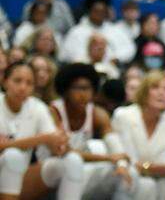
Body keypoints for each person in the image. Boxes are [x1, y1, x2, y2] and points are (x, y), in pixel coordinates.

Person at [0, 61, 81, 200]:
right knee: (13, 156)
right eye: (17, 81)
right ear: (5, 81)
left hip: (21, 178)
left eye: (29, 83)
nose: (22, 87)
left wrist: (61, 143)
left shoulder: (38, 107)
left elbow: (54, 141)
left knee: (73, 160)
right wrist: (43, 139)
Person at [48, 63, 132, 196]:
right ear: (65, 89)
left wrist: (121, 165)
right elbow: (64, 152)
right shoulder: (53, 111)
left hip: (79, 168)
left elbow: (114, 144)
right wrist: (108, 158)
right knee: (73, 163)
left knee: (123, 175)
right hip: (52, 170)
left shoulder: (98, 113)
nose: (83, 94)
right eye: (78, 88)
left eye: (87, 89)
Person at [110, 71, 165, 200]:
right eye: (155, 87)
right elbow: (129, 161)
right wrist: (162, 168)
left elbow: (157, 159)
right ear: (144, 91)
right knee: (146, 185)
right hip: (122, 172)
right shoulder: (124, 115)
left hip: (148, 172)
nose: (161, 93)